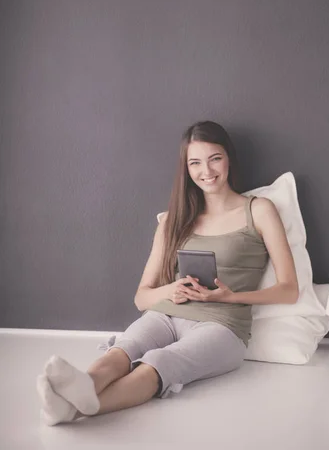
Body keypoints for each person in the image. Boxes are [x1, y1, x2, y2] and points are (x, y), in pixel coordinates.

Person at [36, 120, 299, 425]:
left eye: (215, 158)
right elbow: (142, 298)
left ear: (229, 159)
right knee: (124, 349)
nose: (207, 171)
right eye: (195, 162)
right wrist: (171, 290)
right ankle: (79, 391)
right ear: (186, 169)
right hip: (167, 314)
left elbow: (289, 289)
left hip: (223, 327)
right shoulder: (174, 220)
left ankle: (74, 408)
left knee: (159, 362)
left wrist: (232, 296)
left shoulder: (259, 210)